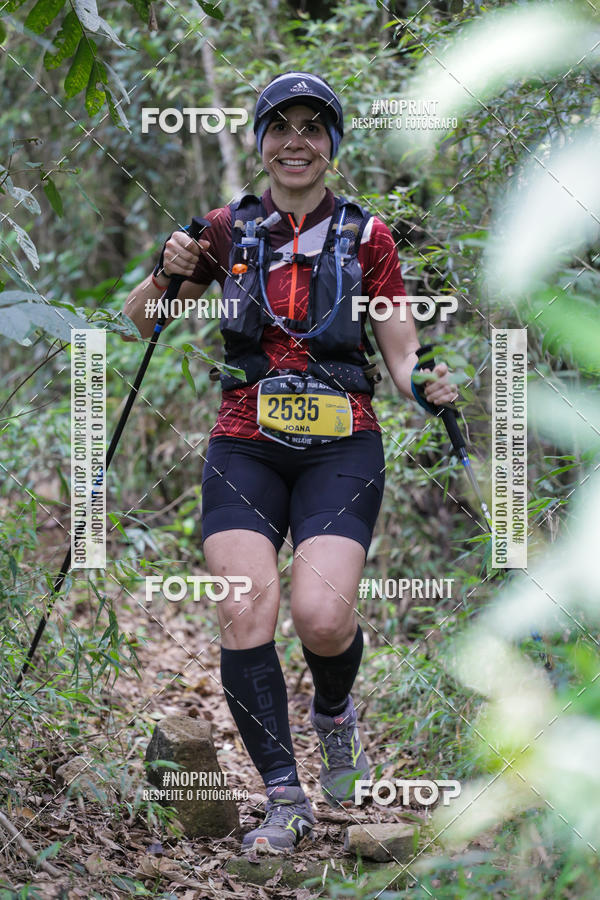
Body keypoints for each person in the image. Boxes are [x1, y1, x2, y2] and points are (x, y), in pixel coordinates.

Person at [124, 72, 457, 854]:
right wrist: (167, 270)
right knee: (245, 608)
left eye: (313, 127)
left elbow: (402, 354)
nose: (296, 141)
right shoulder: (224, 231)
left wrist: (428, 387)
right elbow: (142, 322)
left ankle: (335, 719)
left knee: (322, 616)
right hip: (246, 439)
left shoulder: (369, 237)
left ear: (332, 144)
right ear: (261, 143)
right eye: (280, 127)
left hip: (343, 442)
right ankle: (283, 797)